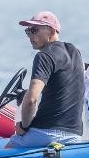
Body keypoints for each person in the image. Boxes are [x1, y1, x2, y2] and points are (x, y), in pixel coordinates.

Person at [6, 11, 84, 148]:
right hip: (75, 135)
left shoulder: (44, 56)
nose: (30, 36)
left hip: (46, 133)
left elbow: (31, 100)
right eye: (28, 32)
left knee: (7, 149)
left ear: (52, 31)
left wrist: (23, 127)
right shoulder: (74, 51)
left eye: (34, 30)